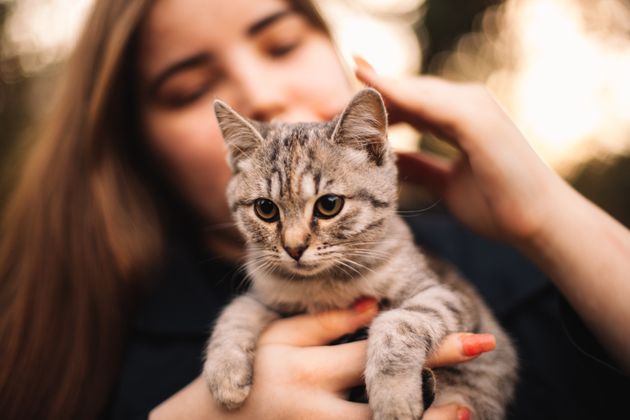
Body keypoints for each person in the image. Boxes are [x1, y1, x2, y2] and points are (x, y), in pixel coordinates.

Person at [0, 0, 627, 419]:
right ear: (136, 141)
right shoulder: (71, 334)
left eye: (279, 45)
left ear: (372, 149)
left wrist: (547, 214)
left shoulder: (512, 261)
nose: (297, 242)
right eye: (189, 89)